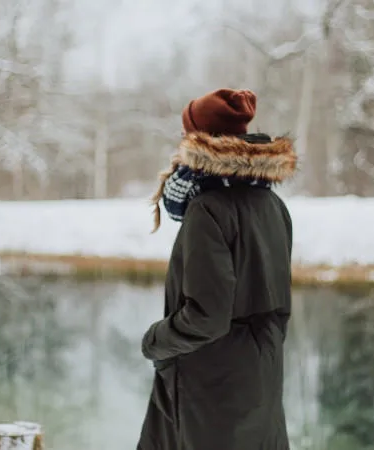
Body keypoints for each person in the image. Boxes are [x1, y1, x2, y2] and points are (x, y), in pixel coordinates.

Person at [138, 88, 297, 450]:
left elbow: (207, 317)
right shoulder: (272, 204)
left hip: (212, 388)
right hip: (260, 379)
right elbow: (278, 307)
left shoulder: (207, 208)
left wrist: (155, 341)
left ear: (197, 140)